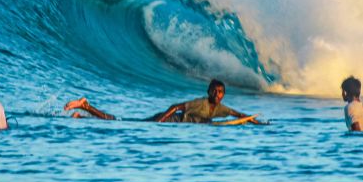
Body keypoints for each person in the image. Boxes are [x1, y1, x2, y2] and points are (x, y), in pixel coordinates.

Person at [63, 78, 264, 125]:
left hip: (169, 121)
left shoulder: (218, 108)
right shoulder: (201, 103)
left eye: (221, 92)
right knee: (119, 122)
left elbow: (235, 115)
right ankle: (85, 105)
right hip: (167, 120)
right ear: (209, 91)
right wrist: (160, 123)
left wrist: (255, 121)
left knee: (119, 121)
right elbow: (175, 107)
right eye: (215, 91)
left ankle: (82, 114)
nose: (218, 94)